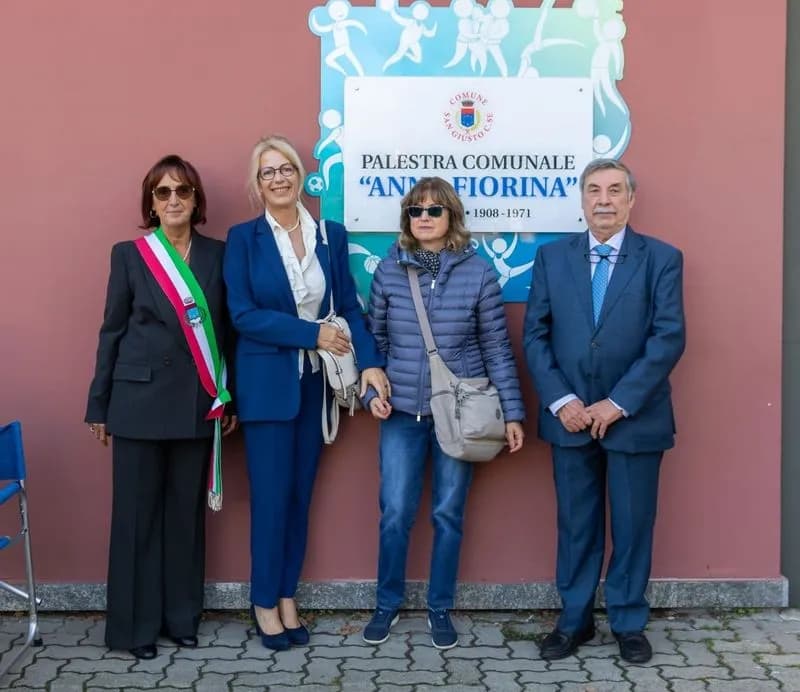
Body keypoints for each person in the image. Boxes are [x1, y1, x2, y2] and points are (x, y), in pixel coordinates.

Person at [223, 135, 389, 651]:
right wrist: (310, 333)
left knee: (298, 500)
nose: (278, 178)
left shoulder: (328, 236)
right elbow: (243, 315)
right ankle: (264, 602)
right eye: (267, 171)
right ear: (257, 183)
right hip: (268, 388)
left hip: (316, 390)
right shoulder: (243, 239)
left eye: (286, 169)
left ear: (301, 176)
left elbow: (350, 310)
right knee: (271, 500)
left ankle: (288, 595)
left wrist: (372, 365)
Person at [523, 158, 685, 663]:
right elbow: (535, 335)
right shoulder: (552, 258)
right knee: (576, 524)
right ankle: (574, 622)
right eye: (594, 190)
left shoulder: (661, 258)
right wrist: (564, 401)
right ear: (582, 199)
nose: (604, 200)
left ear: (631, 200)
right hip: (569, 418)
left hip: (635, 418)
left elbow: (668, 338)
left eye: (615, 190)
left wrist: (617, 404)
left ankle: (628, 621)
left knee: (634, 525)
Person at [362, 176, 525, 650]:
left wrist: (513, 412)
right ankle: (387, 604)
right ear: (406, 219)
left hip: (459, 413)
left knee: (448, 513)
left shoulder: (477, 273)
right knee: (394, 512)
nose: (425, 218)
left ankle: (439, 607)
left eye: (435, 210)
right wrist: (373, 391)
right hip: (402, 411)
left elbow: (497, 347)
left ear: (451, 215)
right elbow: (377, 339)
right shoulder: (390, 271)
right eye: (416, 210)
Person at [85, 155, 237, 660]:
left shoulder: (218, 254)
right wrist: (98, 405)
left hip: (198, 403)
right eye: (163, 192)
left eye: (183, 192)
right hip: (137, 403)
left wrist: (227, 394)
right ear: (150, 202)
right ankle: (134, 627)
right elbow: (112, 331)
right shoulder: (129, 255)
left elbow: (226, 333)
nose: (173, 200)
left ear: (197, 201)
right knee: (137, 518)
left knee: (184, 517)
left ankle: (181, 617)